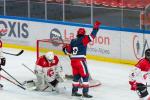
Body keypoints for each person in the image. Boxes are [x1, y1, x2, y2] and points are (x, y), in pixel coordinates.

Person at [62, 21, 101, 98]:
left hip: (73, 62)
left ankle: (74, 92)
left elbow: (67, 52)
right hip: (80, 61)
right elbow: (92, 36)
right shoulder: (84, 38)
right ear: (83, 33)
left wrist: (64, 48)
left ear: (77, 33)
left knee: (76, 77)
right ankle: (85, 93)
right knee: (85, 76)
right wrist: (96, 28)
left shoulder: (73, 41)